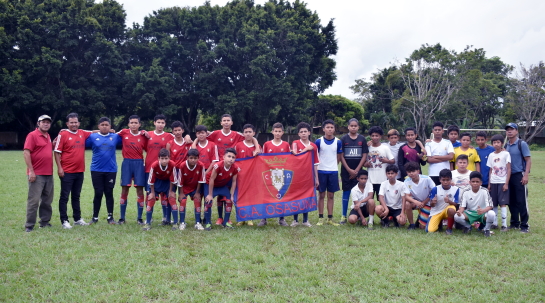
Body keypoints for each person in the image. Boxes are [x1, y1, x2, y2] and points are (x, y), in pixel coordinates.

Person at [201, 114, 259, 225]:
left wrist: (256, 147)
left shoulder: (237, 135)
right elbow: (201, 136)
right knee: (217, 196)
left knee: (227, 194)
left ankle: (229, 218)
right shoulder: (215, 134)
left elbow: (251, 137)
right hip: (218, 168)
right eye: (224, 120)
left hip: (230, 169)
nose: (226, 122)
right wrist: (190, 139)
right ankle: (219, 218)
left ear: (232, 122)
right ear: (221, 122)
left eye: (228, 120)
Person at [54, 113, 92, 228]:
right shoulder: (63, 134)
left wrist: (109, 130)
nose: (74, 124)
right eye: (71, 122)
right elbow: (56, 152)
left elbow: (94, 132)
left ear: (79, 123)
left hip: (79, 171)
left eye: (76, 122)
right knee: (64, 196)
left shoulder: (82, 133)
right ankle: (64, 221)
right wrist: (60, 168)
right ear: (67, 124)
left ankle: (77, 219)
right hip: (67, 171)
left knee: (76, 196)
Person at [87, 117, 121, 225]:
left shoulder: (115, 137)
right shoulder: (93, 137)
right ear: (98, 126)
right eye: (102, 125)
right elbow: (80, 138)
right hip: (96, 169)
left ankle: (110, 217)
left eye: (106, 125)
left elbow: (128, 136)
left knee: (109, 193)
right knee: (98, 192)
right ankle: (95, 217)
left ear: (110, 126)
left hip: (111, 170)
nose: (104, 126)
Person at [23, 115, 54, 232]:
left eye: (48, 122)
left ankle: (45, 222)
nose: (46, 124)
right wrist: (31, 171)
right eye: (43, 122)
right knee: (34, 200)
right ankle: (29, 225)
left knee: (47, 200)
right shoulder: (32, 135)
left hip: (49, 173)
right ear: (38, 123)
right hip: (36, 174)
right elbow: (26, 153)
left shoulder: (48, 136)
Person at [117, 115, 148, 225]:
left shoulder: (144, 136)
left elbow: (150, 148)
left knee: (139, 190)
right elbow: (110, 135)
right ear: (128, 124)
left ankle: (139, 218)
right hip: (127, 163)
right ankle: (122, 218)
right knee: (124, 189)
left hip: (139, 163)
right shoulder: (123, 132)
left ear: (140, 124)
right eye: (132, 122)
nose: (134, 124)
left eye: (136, 123)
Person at [144, 115, 175, 226]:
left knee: (164, 195)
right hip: (149, 168)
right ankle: (149, 218)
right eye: (158, 122)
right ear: (154, 123)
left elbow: (179, 138)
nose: (160, 124)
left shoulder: (169, 136)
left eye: (162, 122)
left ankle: (165, 217)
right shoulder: (147, 135)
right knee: (149, 194)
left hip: (164, 170)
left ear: (165, 124)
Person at [259, 122, 291, 227]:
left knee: (280, 195)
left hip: (281, 173)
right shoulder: (267, 144)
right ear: (272, 132)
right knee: (266, 194)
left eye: (279, 131)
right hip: (269, 173)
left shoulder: (286, 144)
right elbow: (263, 159)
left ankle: (281, 218)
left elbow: (288, 160)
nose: (277, 133)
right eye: (275, 131)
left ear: (282, 132)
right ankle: (263, 219)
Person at [339, 118, 368, 224]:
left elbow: (364, 155)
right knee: (346, 192)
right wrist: (349, 170)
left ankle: (360, 215)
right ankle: (343, 216)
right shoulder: (343, 139)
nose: (353, 127)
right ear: (348, 127)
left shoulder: (362, 139)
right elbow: (341, 155)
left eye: (355, 126)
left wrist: (356, 170)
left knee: (360, 193)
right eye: (351, 125)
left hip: (358, 173)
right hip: (346, 171)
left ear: (358, 127)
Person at [291, 122, 320, 227]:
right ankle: (295, 220)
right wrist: (306, 149)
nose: (303, 133)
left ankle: (305, 220)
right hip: (296, 175)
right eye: (301, 132)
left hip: (308, 176)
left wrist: (316, 178)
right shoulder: (295, 143)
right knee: (295, 197)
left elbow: (315, 164)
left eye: (305, 131)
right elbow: (295, 156)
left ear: (309, 133)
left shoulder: (314, 146)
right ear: (298, 134)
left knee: (306, 196)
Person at [504, 122, 531, 233]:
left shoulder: (522, 144)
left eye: (512, 129)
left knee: (521, 201)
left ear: (517, 131)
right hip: (508, 176)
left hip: (519, 175)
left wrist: (526, 175)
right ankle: (514, 223)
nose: (509, 131)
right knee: (511, 201)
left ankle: (524, 225)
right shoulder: (506, 145)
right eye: (508, 130)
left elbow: (528, 160)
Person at [315, 119, 343, 226]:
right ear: (323, 129)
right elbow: (315, 156)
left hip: (333, 172)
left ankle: (330, 218)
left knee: (331, 195)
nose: (330, 129)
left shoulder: (338, 142)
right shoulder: (318, 141)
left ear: (334, 129)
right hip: (321, 171)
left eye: (332, 127)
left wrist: (332, 166)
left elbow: (339, 157)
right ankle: (321, 217)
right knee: (321, 195)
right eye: (327, 127)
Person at [204, 148, 240, 230]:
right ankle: (208, 223)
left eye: (233, 157)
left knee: (229, 200)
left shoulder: (235, 168)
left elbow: (234, 182)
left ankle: (226, 222)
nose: (231, 159)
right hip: (210, 184)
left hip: (222, 185)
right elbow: (211, 179)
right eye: (229, 156)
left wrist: (232, 195)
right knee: (208, 201)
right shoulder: (218, 165)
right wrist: (210, 194)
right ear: (224, 157)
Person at [142, 149, 178, 231]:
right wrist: (152, 193)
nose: (164, 161)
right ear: (158, 158)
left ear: (169, 158)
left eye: (166, 158)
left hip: (167, 183)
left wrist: (170, 191)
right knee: (150, 199)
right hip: (156, 183)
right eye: (162, 158)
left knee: (172, 199)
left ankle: (175, 223)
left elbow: (173, 180)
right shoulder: (154, 165)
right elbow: (151, 180)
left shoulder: (172, 165)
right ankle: (148, 223)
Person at [454, 171, 496, 237]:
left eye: (477, 182)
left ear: (481, 183)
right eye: (473, 181)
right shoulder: (465, 191)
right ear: (469, 182)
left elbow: (490, 206)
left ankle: (486, 229)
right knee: (456, 216)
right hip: (470, 213)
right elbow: (462, 206)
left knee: (491, 214)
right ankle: (468, 227)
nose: (475, 183)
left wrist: (483, 210)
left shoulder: (485, 191)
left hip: (482, 213)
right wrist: (459, 212)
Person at [234, 124, 260, 227]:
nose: (248, 134)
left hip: (253, 176)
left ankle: (250, 218)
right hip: (241, 175)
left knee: (251, 196)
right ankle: (241, 218)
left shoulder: (257, 147)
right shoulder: (238, 145)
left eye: (250, 132)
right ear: (243, 133)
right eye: (246, 132)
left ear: (254, 133)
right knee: (240, 196)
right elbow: (234, 159)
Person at [176, 148, 206, 230]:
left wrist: (197, 192)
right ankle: (182, 222)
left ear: (198, 158)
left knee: (197, 200)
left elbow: (200, 180)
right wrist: (181, 193)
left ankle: (198, 223)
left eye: (195, 158)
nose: (193, 160)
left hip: (195, 187)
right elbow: (180, 181)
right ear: (187, 158)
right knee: (183, 201)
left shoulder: (201, 165)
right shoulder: (182, 165)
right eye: (191, 158)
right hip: (184, 187)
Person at [487, 134, 511, 231]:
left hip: (502, 181)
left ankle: (504, 225)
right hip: (493, 182)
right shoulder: (491, 155)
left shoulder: (506, 154)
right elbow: (490, 170)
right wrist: (489, 183)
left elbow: (509, 169)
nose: (496, 144)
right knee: (494, 203)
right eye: (494, 142)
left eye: (498, 142)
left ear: (502, 143)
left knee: (503, 203)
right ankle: (495, 223)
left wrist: (506, 183)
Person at [402, 162, 436, 230]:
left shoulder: (427, 179)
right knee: (407, 204)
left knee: (422, 227)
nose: (411, 173)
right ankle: (412, 224)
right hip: (416, 203)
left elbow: (434, 191)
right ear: (407, 173)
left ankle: (420, 219)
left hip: (427, 202)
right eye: (409, 172)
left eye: (413, 171)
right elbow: (406, 196)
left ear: (418, 171)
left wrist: (424, 202)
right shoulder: (406, 181)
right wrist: (416, 202)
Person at [365, 126, 395, 199]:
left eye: (377, 135)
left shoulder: (385, 148)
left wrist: (386, 161)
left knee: (382, 201)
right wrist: (365, 164)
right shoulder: (367, 147)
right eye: (373, 136)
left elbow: (393, 161)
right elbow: (363, 161)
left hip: (382, 180)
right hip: (370, 180)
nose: (375, 137)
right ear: (370, 136)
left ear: (380, 136)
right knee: (369, 200)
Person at [427, 169, 459, 234]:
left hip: (447, 211)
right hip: (436, 211)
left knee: (451, 209)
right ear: (440, 180)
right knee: (430, 230)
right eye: (443, 180)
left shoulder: (456, 189)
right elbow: (431, 205)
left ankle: (449, 228)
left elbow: (456, 204)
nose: (445, 182)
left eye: (448, 180)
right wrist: (433, 202)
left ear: (451, 179)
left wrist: (449, 201)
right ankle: (439, 223)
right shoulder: (435, 189)